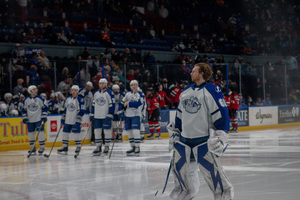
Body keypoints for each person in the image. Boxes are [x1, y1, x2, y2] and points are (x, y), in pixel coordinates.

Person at [168, 63, 233, 200]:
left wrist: (222, 136)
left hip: (203, 142)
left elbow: (221, 114)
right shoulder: (185, 91)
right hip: (185, 141)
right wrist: (175, 132)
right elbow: (180, 115)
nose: (191, 73)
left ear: (202, 73)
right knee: (183, 179)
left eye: (194, 71)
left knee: (216, 179)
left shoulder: (211, 90)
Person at [90, 78, 115, 156]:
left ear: (106, 84)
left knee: (107, 131)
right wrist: (92, 113)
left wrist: (110, 114)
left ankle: (107, 146)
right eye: (100, 83)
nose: (101, 85)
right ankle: (98, 146)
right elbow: (93, 104)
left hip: (105, 115)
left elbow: (112, 105)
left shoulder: (110, 93)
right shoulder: (96, 93)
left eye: (103, 83)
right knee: (97, 131)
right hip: (97, 115)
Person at [58, 85, 85, 155]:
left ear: (78, 92)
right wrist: (63, 118)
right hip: (68, 119)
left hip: (75, 119)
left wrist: (78, 119)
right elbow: (65, 109)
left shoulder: (80, 99)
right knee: (65, 132)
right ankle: (65, 146)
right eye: (72, 90)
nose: (73, 92)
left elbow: (82, 110)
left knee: (76, 133)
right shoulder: (68, 99)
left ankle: (78, 146)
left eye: (75, 90)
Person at [22, 85, 48, 154]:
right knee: (31, 134)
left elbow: (45, 107)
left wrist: (44, 116)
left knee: (41, 133)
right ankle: (32, 148)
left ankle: (42, 147)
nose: (37, 90)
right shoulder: (26, 100)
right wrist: (24, 117)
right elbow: (24, 110)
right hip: (30, 120)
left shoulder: (40, 98)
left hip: (38, 119)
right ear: (31, 91)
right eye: (35, 89)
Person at [121, 80, 145, 156]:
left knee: (135, 131)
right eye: (132, 85)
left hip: (136, 114)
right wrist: (121, 110)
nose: (134, 86)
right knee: (129, 131)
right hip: (127, 114)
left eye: (135, 85)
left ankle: (137, 146)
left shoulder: (140, 94)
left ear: (137, 85)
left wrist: (128, 103)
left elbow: (139, 103)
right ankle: (132, 146)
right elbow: (122, 102)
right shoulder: (127, 94)